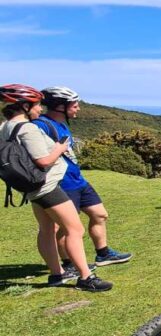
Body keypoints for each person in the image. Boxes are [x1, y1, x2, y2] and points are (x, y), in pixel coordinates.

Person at [0, 84, 112, 292]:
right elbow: (43, 160)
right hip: (48, 186)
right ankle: (86, 277)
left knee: (46, 229)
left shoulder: (5, 127)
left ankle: (56, 274)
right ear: (24, 106)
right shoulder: (28, 128)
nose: (40, 109)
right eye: (36, 105)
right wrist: (59, 149)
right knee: (74, 229)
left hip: (31, 187)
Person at [37, 87, 132, 275]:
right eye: (74, 104)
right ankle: (68, 263)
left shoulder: (62, 123)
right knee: (64, 228)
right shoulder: (41, 126)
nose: (78, 108)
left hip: (78, 180)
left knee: (99, 214)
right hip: (61, 183)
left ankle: (103, 254)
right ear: (59, 106)